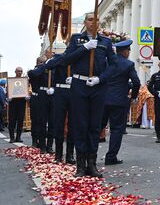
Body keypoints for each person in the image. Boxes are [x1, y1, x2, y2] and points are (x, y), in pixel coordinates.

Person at [63, 12, 117, 178]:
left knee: (94, 126)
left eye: (97, 19)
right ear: (85, 22)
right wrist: (85, 48)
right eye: (90, 19)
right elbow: (67, 59)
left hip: (97, 86)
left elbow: (113, 65)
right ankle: (80, 165)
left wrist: (100, 78)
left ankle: (91, 164)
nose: (94, 22)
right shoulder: (76, 40)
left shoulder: (106, 42)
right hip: (79, 85)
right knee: (80, 125)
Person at [100, 40, 140, 165]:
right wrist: (133, 96)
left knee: (97, 127)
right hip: (119, 101)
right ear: (125, 51)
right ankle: (111, 157)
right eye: (128, 50)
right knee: (116, 129)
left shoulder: (106, 62)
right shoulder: (128, 64)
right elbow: (136, 82)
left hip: (103, 99)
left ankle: (89, 156)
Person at [28, 53, 56, 154]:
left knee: (52, 122)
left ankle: (50, 145)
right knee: (42, 123)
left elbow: (57, 81)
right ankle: (42, 146)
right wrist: (44, 66)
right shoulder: (36, 71)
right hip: (41, 97)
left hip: (52, 96)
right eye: (42, 62)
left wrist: (54, 89)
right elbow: (32, 74)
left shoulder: (53, 71)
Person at [7, 67, 29, 143]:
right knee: (12, 120)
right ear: (15, 71)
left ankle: (18, 137)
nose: (20, 72)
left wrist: (26, 95)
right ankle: (12, 137)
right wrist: (9, 96)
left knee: (20, 120)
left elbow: (25, 90)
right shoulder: (11, 82)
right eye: (18, 71)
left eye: (21, 71)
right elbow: (8, 91)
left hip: (21, 103)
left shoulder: (24, 82)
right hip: (13, 103)